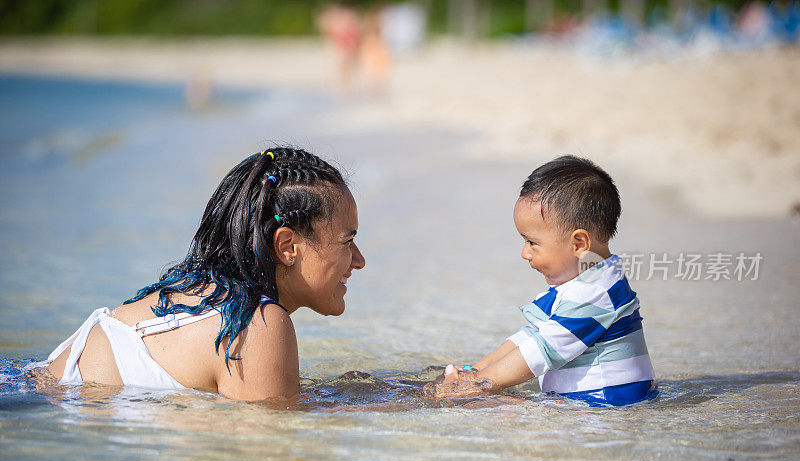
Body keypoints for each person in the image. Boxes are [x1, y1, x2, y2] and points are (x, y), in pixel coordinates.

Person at [46, 147, 365, 401]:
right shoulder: (255, 325)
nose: (359, 260)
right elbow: (273, 460)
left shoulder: (202, 295)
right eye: (347, 241)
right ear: (287, 246)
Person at [431, 156, 657, 407]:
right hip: (582, 405)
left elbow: (538, 352)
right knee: (488, 398)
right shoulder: (588, 282)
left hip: (602, 409)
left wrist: (474, 387)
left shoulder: (595, 293)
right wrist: (476, 370)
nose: (524, 253)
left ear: (579, 244)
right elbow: (532, 335)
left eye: (532, 243)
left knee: (481, 405)